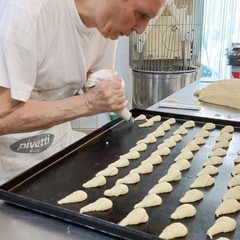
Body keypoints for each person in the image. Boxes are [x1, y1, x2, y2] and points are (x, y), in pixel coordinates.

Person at [0, 0, 168, 184]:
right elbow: (3, 116)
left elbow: (95, 77)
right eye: (142, 14)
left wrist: (104, 88)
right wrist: (89, 103)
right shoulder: (26, 12)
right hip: (6, 171)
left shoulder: (105, 25)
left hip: (56, 157)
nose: (142, 29)